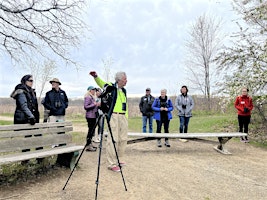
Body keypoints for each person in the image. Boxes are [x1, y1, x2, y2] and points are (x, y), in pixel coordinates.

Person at [89, 71, 128, 172]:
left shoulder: (124, 90)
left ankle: (119, 159)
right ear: (119, 80)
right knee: (113, 139)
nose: (126, 81)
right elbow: (101, 83)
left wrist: (126, 117)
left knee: (123, 139)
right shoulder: (111, 86)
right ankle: (111, 163)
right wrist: (96, 76)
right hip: (114, 116)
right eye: (124, 79)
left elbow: (125, 104)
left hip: (123, 117)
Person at [10, 74, 40, 162]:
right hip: (25, 119)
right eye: (30, 81)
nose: (32, 82)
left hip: (32, 119)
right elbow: (23, 106)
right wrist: (31, 116)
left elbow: (34, 105)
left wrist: (35, 117)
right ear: (25, 81)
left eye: (32, 81)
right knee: (27, 139)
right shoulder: (21, 91)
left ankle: (40, 158)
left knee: (38, 136)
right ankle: (25, 160)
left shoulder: (31, 91)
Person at [84, 86, 100, 151]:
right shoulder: (88, 97)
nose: (94, 91)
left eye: (95, 90)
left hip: (93, 116)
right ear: (90, 91)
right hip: (90, 116)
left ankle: (89, 143)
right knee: (90, 131)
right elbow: (86, 106)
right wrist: (95, 104)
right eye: (93, 90)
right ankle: (88, 145)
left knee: (92, 131)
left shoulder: (92, 97)